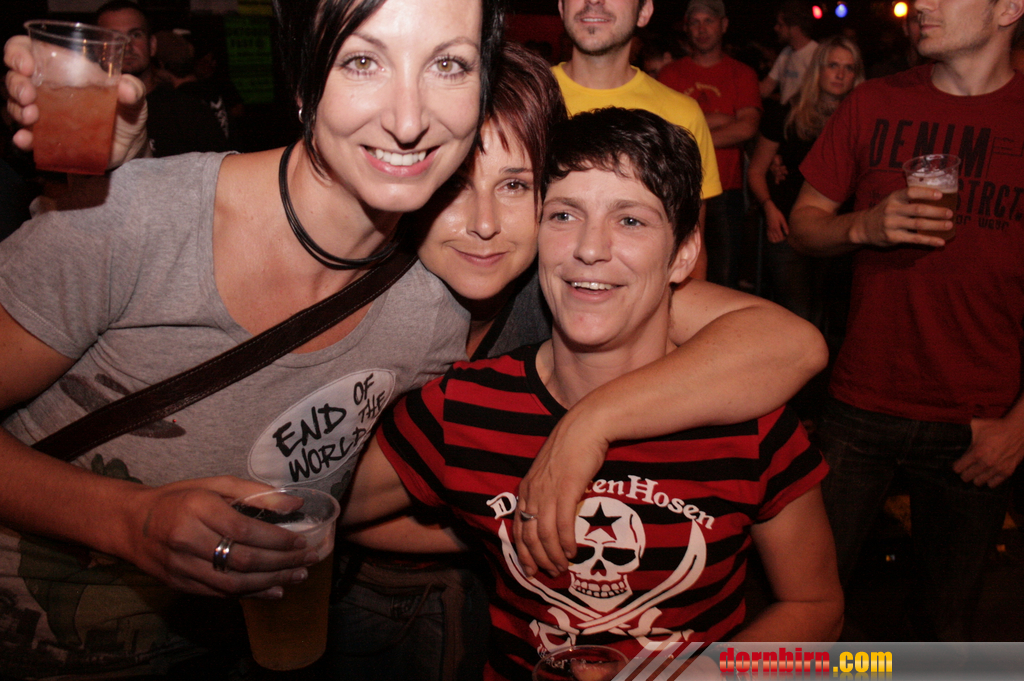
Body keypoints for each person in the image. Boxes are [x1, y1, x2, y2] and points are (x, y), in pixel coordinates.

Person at [0, 0, 504, 675]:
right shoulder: (134, 220)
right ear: (302, 82)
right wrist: (126, 519)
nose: (408, 119)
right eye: (361, 61)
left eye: (449, 64)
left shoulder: (434, 314)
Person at [342, 108, 843, 680]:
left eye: (630, 221)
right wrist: (483, 531)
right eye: (563, 215)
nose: (589, 248)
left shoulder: (750, 415)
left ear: (683, 253)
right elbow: (330, 513)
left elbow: (815, 608)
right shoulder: (465, 408)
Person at [788, 0, 1024, 641]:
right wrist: (862, 226)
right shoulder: (872, 102)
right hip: (860, 404)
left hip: (978, 421)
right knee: (806, 608)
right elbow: (804, 224)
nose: (922, 3)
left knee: (942, 628)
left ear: (1008, 8)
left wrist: (1019, 427)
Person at [550, 0, 723, 280]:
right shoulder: (522, 102)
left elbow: (691, 248)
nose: (593, 1)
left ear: (643, 12)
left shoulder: (681, 116)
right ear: (561, 6)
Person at [748, 35, 863, 323]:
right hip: (787, 228)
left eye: (848, 68)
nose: (840, 74)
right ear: (818, 70)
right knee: (797, 316)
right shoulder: (787, 115)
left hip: (840, 232)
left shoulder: (863, 122)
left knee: (831, 317)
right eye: (833, 65)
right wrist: (769, 209)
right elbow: (756, 169)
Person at [658, 0, 762, 288]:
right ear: (687, 28)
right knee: (676, 273)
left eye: (709, 21)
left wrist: (690, 135)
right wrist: (720, 120)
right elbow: (664, 133)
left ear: (724, 25)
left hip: (727, 190)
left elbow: (747, 127)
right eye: (695, 22)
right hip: (680, 188)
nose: (702, 29)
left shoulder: (742, 74)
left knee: (724, 278)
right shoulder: (669, 75)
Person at [96, 1, 227, 157]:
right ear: (98, 49)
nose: (127, 46)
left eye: (136, 35)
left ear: (152, 45)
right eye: (114, 38)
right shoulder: (88, 112)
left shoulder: (189, 112)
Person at [759, 0, 819, 104]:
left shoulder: (817, 53)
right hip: (787, 113)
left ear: (795, 28)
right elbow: (765, 89)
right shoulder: (786, 52)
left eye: (780, 25)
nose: (776, 28)